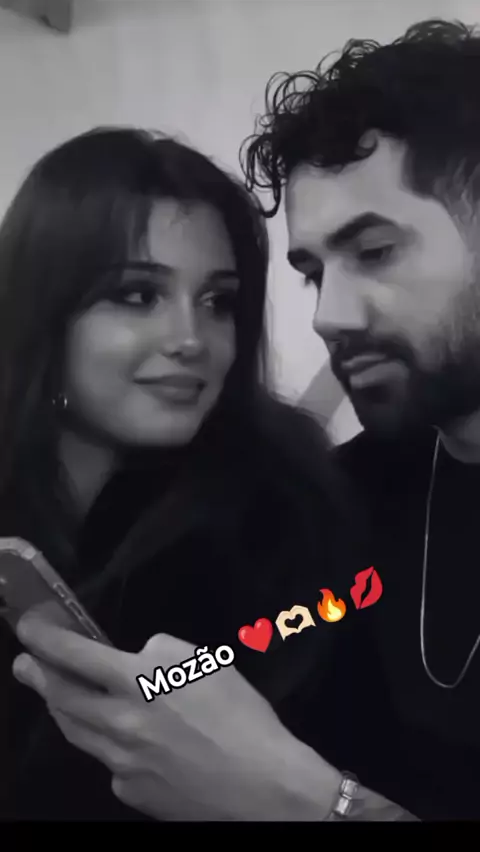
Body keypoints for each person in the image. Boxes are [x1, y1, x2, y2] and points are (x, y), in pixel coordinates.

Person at [3, 130, 415, 822]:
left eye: (218, 302)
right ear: (42, 311)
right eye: (138, 295)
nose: (191, 339)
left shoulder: (293, 524)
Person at [242, 17, 480, 820]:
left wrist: (314, 805)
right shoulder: (349, 497)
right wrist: (154, 682)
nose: (327, 316)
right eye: (313, 272)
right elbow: (264, 637)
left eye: (374, 252)